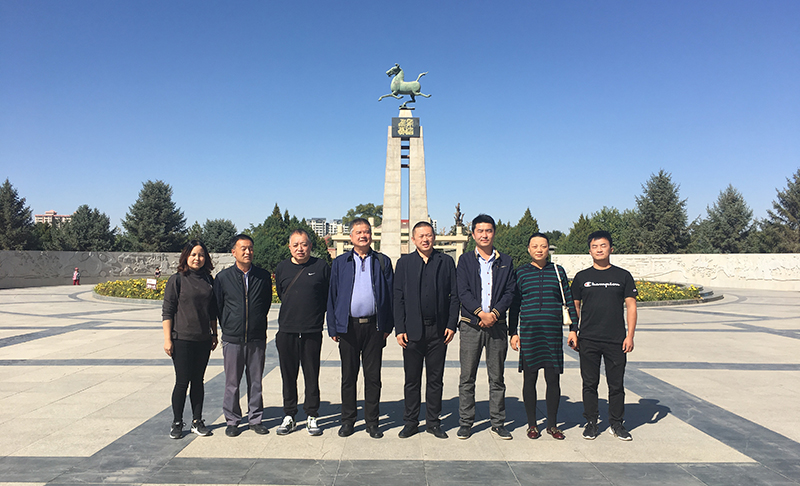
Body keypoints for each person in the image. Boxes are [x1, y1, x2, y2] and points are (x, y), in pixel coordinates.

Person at [327, 218, 393, 439]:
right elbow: (332, 295)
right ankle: (348, 420)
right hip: (348, 328)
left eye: (367, 232)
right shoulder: (340, 263)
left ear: (371, 236)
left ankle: (372, 422)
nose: (363, 236)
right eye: (359, 232)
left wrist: (387, 326)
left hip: (374, 327)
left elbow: (390, 295)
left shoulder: (382, 261)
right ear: (351, 237)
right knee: (349, 376)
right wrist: (333, 327)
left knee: (373, 377)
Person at [568, 230, 638, 441]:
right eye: (595, 246)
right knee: (589, 383)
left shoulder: (622, 276)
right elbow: (575, 306)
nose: (599, 250)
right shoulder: (582, 277)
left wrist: (630, 335)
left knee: (616, 385)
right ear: (589, 251)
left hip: (616, 339)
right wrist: (573, 330)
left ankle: (616, 424)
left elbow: (631, 306)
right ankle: (591, 422)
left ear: (611, 249)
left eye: (603, 245)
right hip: (588, 338)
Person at [509, 233, 578, 440]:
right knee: (529, 379)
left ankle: (552, 425)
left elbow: (569, 300)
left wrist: (573, 329)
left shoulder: (557, 271)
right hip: (530, 333)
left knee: (553, 380)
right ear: (528, 249)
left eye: (543, 246)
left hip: (552, 334)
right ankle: (532, 424)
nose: (539, 250)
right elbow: (515, 305)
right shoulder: (521, 273)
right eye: (535, 246)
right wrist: (513, 332)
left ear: (549, 249)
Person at [394, 221, 459, 439]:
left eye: (429, 235)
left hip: (438, 331)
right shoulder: (404, 263)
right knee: (412, 380)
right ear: (413, 239)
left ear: (434, 237)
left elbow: (454, 296)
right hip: (412, 331)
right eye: (421, 236)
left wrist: (451, 324)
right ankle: (411, 422)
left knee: (435, 379)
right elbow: (398, 297)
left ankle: (433, 422)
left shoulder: (446, 262)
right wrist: (399, 328)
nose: (425, 239)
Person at [456, 214, 516, 440]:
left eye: (488, 231)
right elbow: (462, 291)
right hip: (471, 325)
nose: (484, 235)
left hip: (497, 326)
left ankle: (498, 423)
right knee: (467, 377)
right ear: (473, 234)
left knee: (497, 377)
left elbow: (510, 291)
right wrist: (481, 313)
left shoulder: (506, 261)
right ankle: (466, 422)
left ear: (494, 233)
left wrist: (494, 314)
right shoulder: (465, 260)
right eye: (480, 231)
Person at [214, 234, 272, 437]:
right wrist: (229, 325)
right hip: (233, 338)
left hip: (256, 338)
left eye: (250, 248)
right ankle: (232, 420)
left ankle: (255, 419)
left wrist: (256, 322)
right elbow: (219, 306)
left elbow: (265, 303)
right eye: (243, 248)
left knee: (256, 381)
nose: (248, 252)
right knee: (232, 383)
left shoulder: (263, 276)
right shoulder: (223, 278)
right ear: (234, 252)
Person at [274, 229, 330, 436]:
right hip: (287, 330)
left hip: (311, 330)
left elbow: (326, 296)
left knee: (311, 374)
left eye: (304, 244)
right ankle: (289, 414)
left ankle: (312, 415)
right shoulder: (282, 267)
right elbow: (282, 293)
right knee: (288, 375)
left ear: (310, 246)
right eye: (296, 245)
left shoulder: (321, 266)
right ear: (289, 247)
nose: (300, 248)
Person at [162, 240, 218, 439]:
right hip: (182, 338)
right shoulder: (177, 280)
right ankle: (177, 422)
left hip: (203, 339)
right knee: (182, 381)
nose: (197, 258)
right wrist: (167, 339)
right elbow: (168, 311)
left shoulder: (209, 280)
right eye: (193, 254)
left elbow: (212, 311)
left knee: (198, 381)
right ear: (186, 256)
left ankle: (197, 420)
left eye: (201, 255)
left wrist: (214, 334)